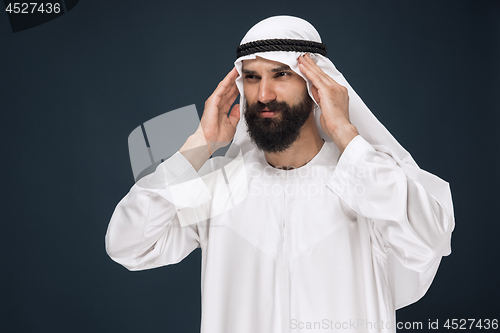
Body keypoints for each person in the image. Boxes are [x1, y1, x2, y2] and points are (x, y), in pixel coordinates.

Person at [105, 16, 454, 333]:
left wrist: (346, 131)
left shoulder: (368, 179)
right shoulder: (221, 185)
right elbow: (128, 244)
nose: (264, 95)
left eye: (281, 74)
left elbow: (430, 239)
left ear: (316, 83)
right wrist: (200, 145)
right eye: (252, 78)